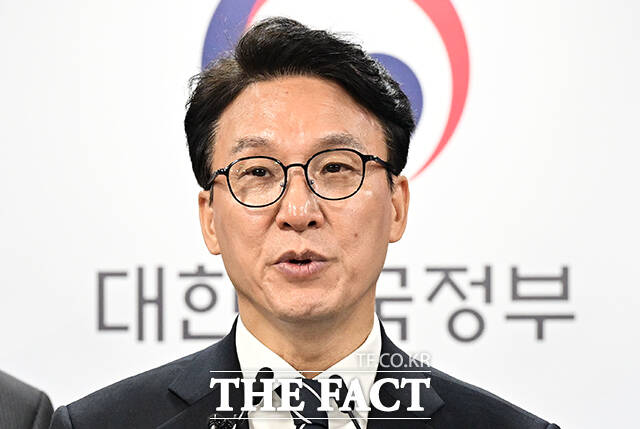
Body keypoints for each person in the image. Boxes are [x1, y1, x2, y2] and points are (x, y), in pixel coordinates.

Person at [50, 17, 561, 429]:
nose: (298, 213)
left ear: (396, 205)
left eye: (335, 168)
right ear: (210, 219)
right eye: (258, 173)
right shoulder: (96, 425)